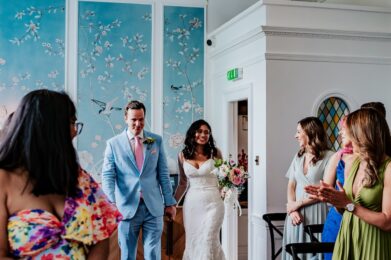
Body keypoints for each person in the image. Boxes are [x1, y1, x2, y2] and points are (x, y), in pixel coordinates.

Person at [0, 89, 121, 259]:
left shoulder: (80, 179)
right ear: (47, 127)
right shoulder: (3, 179)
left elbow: (101, 237)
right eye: (71, 123)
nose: (74, 131)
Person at [308, 108, 391, 259]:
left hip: (372, 242)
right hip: (347, 236)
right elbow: (346, 209)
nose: (345, 136)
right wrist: (334, 200)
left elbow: (387, 222)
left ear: (364, 134)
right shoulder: (354, 163)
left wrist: (347, 204)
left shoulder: (388, 168)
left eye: (350, 132)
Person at [101, 100, 176, 260]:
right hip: (126, 208)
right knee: (127, 255)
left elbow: (163, 173)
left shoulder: (155, 141)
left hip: (153, 207)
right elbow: (108, 176)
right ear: (125, 118)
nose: (137, 123)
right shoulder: (113, 144)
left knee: (152, 255)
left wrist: (169, 202)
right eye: (133, 119)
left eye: (141, 119)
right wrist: (112, 203)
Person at [281, 116, 334, 260]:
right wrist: (292, 210)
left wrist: (297, 204)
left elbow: (326, 188)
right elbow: (291, 185)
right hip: (295, 215)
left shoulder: (330, 156)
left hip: (316, 212)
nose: (295, 135)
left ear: (310, 132)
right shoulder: (298, 156)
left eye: (298, 132)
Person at [174, 119, 225, 260]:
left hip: (214, 203)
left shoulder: (216, 154)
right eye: (200, 131)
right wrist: (172, 204)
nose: (203, 135)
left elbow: (224, 178)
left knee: (208, 239)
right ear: (193, 133)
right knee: (194, 242)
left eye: (207, 132)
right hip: (192, 206)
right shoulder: (182, 155)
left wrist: (227, 191)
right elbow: (183, 183)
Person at [305, 116, 355, 260]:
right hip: (337, 219)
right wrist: (324, 194)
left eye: (343, 129)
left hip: (360, 220)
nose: (340, 133)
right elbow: (326, 187)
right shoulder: (338, 157)